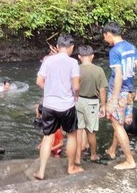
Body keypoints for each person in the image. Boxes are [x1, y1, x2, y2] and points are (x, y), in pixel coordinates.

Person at [34, 33, 83, 180]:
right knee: (72, 135)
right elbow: (75, 86)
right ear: (72, 47)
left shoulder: (48, 61)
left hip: (49, 105)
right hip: (66, 105)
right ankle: (71, 167)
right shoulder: (73, 63)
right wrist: (76, 95)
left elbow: (39, 81)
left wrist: (49, 91)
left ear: (57, 47)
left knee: (47, 137)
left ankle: (41, 171)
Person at [102, 22, 137, 170]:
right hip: (129, 92)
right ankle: (112, 150)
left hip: (119, 92)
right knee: (118, 122)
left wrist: (113, 99)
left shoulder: (114, 51)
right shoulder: (131, 47)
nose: (105, 40)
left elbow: (118, 75)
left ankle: (129, 160)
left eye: (105, 37)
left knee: (117, 124)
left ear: (109, 33)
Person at [74, 45, 108, 165]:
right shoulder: (99, 70)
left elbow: (72, 87)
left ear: (79, 57)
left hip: (77, 101)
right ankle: (93, 155)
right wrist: (103, 105)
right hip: (92, 103)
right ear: (92, 56)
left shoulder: (76, 69)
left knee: (78, 130)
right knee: (91, 131)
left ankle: (77, 158)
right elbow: (102, 90)